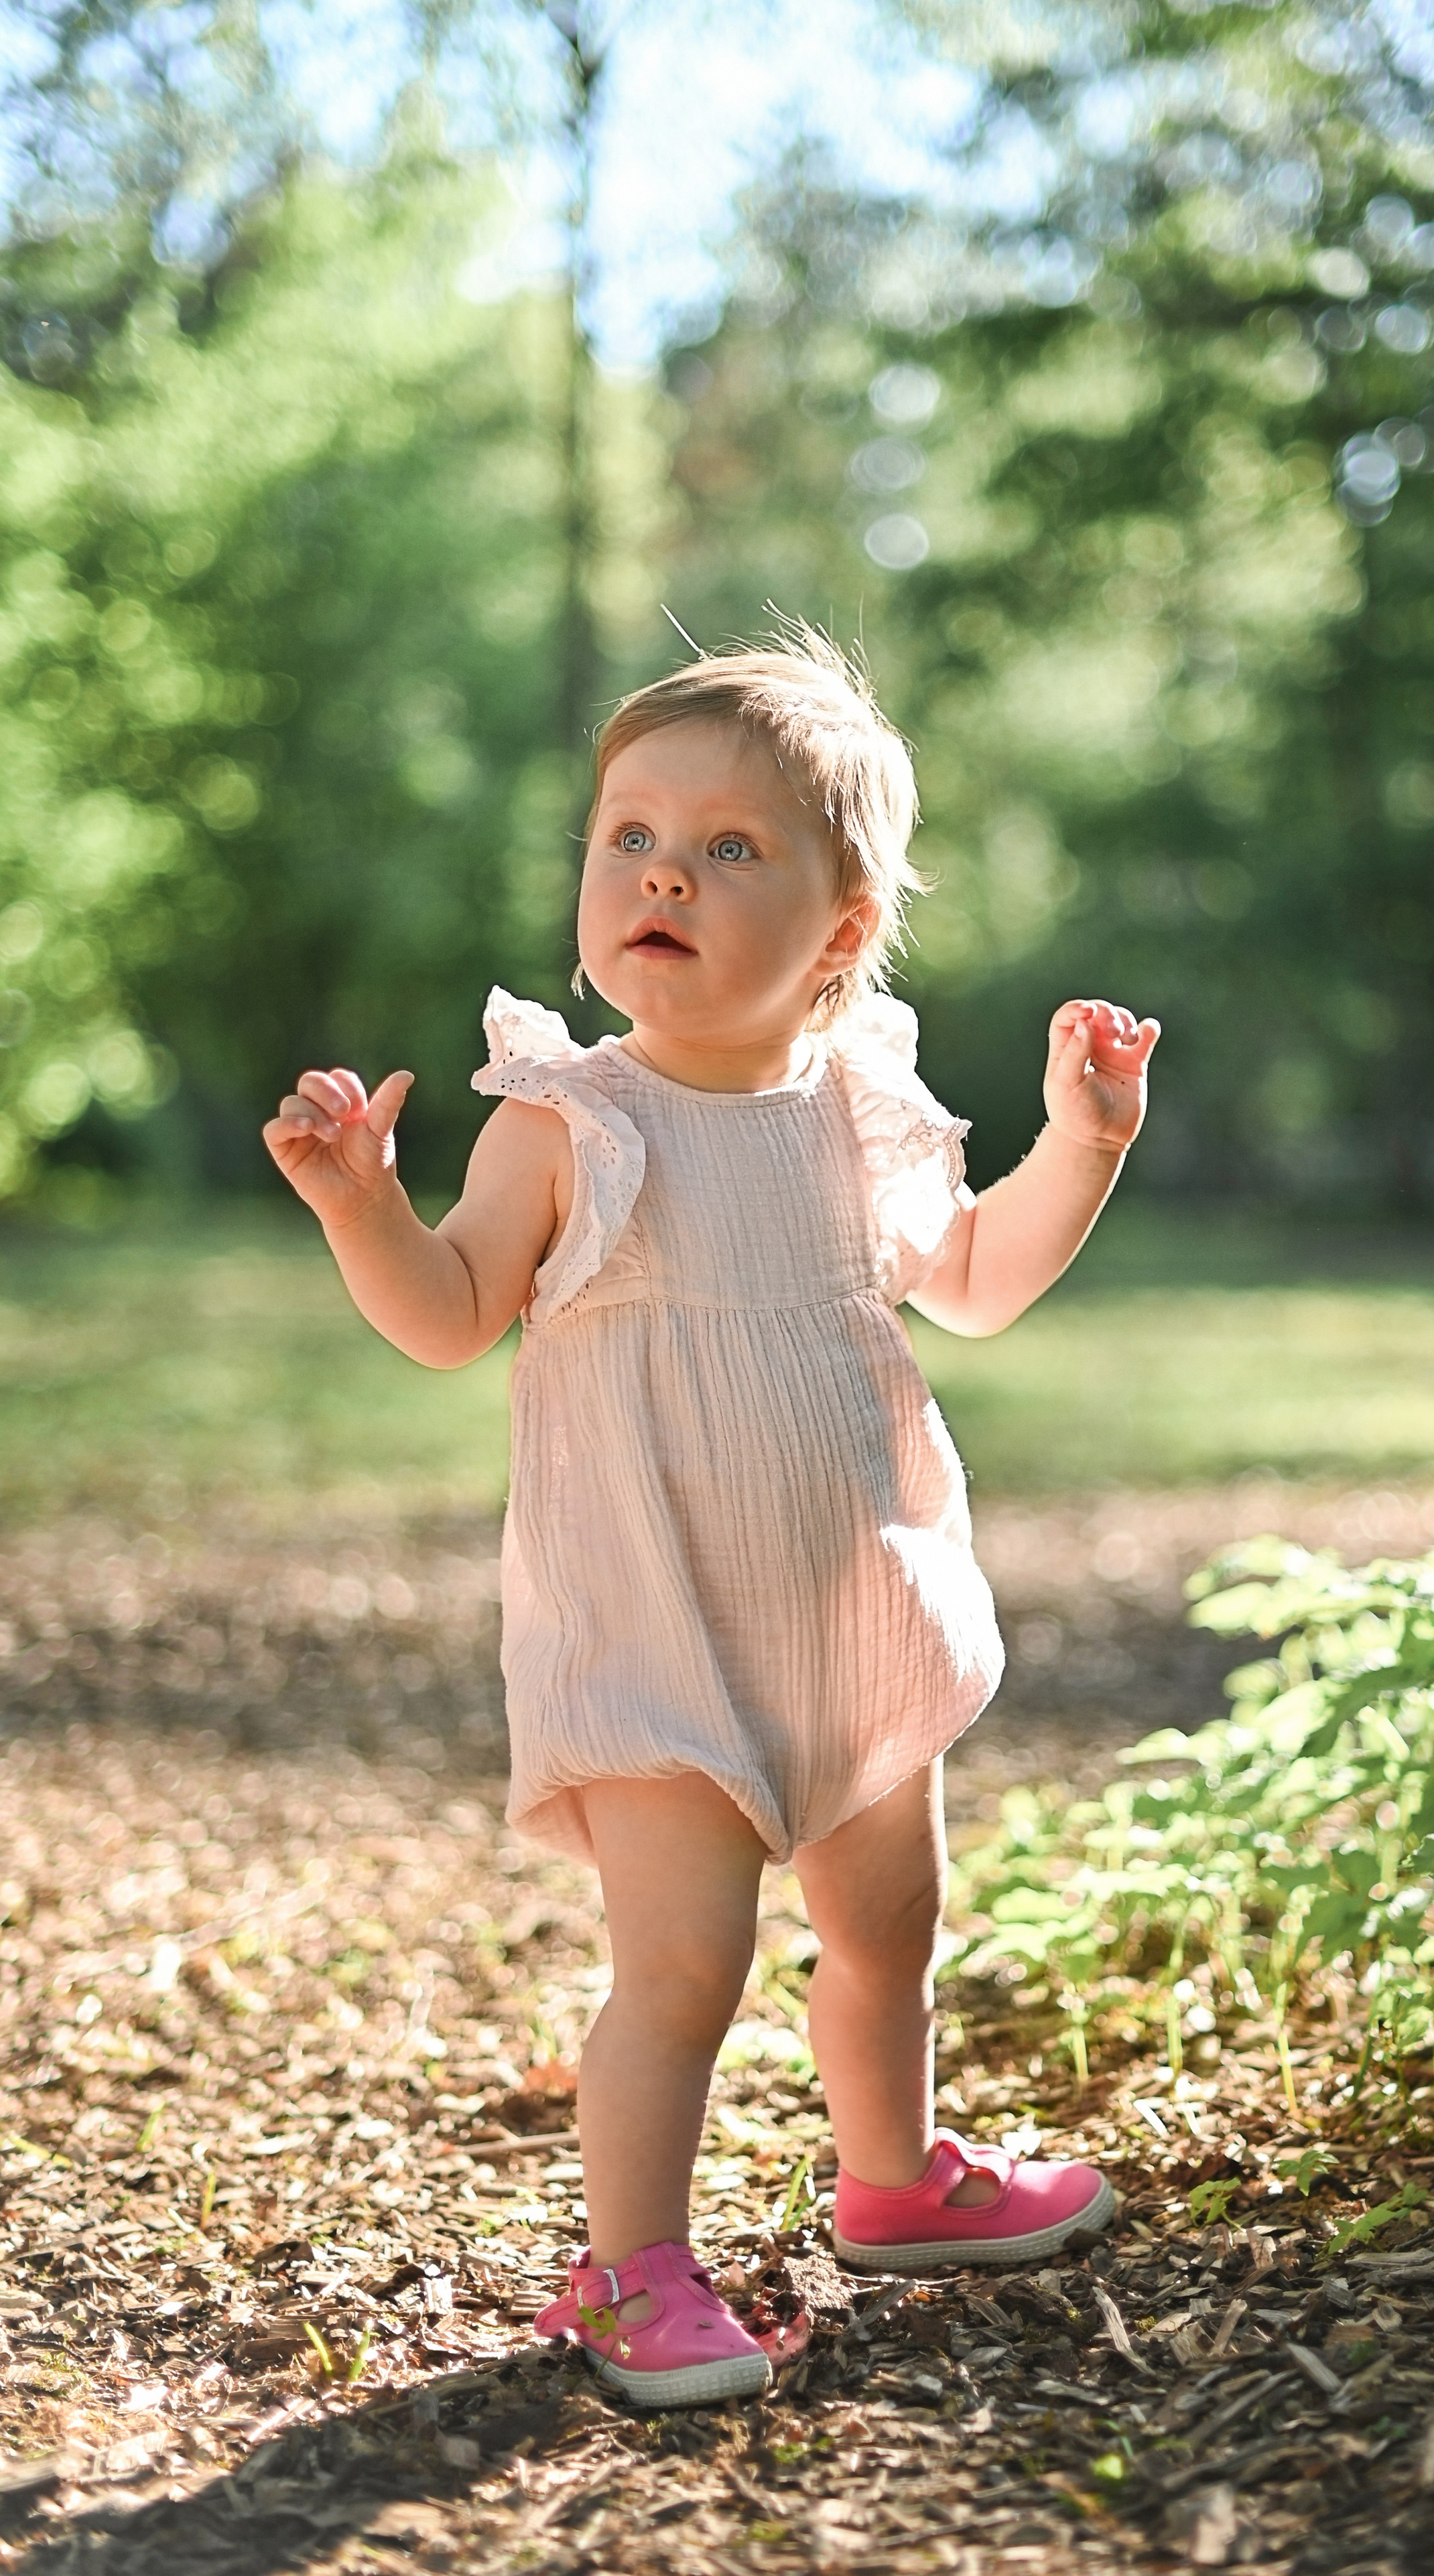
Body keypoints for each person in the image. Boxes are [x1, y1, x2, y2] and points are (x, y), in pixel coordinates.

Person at [264, 632, 1159, 2409]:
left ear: (840, 931)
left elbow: (978, 1281)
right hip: (653, 1623)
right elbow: (450, 1314)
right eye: (631, 837)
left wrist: (1085, 1143)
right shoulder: (570, 1122)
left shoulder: (858, 1108)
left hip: (855, 1609)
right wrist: (365, 1209)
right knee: (685, 1965)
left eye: (729, 848)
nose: (662, 874)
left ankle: (893, 2178)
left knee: (891, 1926)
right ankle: (628, 2270)